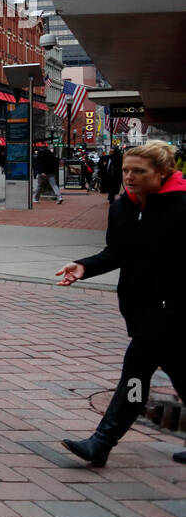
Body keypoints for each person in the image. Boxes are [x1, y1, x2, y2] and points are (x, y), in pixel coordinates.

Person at [57, 140, 186, 468]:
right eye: (127, 170)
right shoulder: (121, 208)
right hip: (140, 305)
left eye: (139, 172)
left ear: (162, 173)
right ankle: (101, 444)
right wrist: (83, 267)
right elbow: (117, 252)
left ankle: (101, 443)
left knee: (136, 373)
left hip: (173, 307)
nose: (129, 176)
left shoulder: (182, 205)